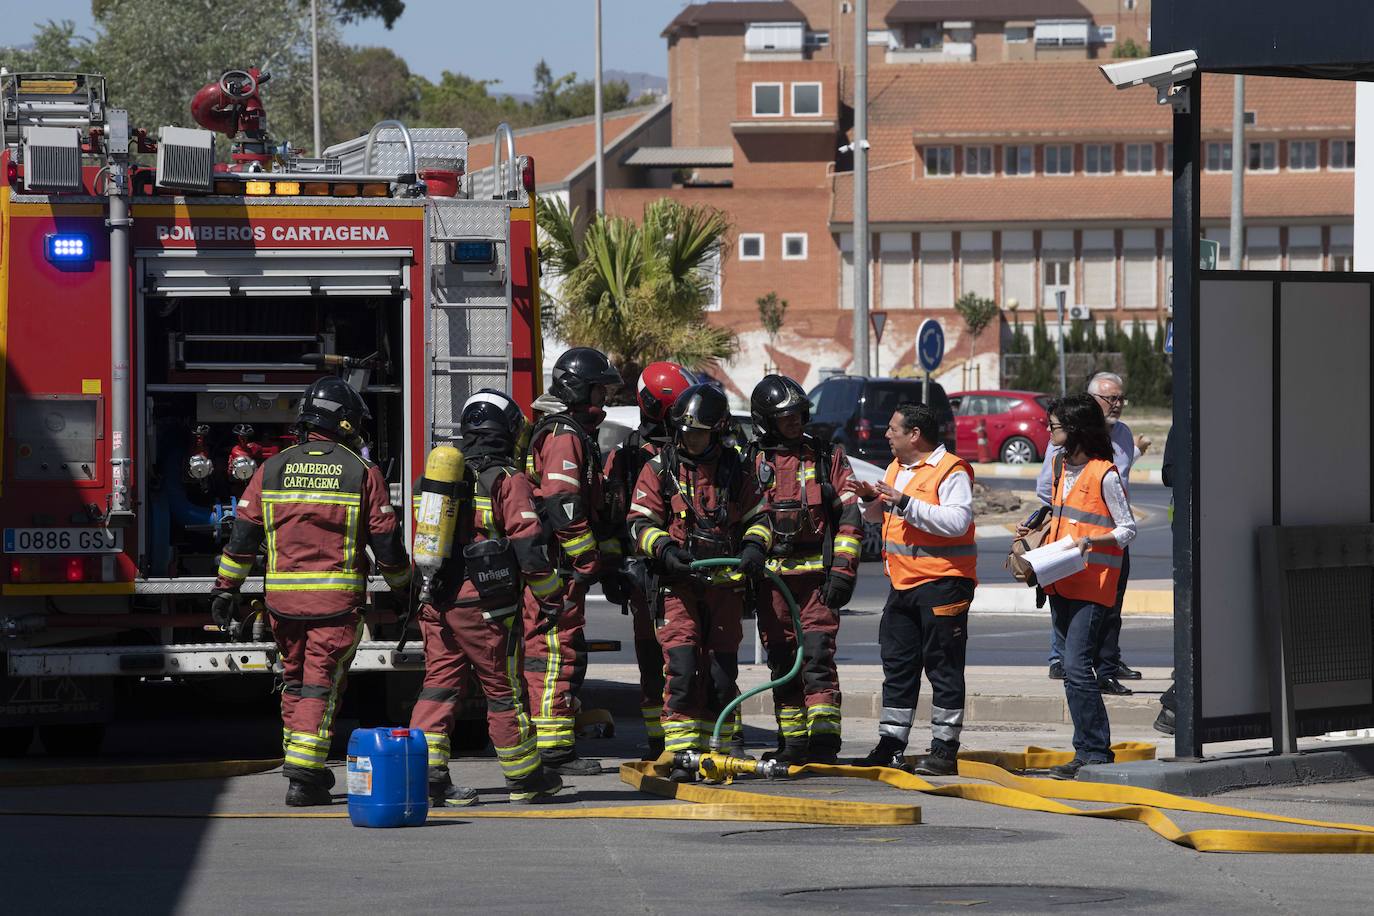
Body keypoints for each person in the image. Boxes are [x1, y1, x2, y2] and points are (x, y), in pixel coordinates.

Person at [212, 377, 411, 807]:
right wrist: (402, 589)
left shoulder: (272, 468)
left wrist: (225, 589)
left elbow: (243, 536)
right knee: (321, 684)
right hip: (334, 605)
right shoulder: (362, 470)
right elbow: (387, 543)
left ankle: (302, 762)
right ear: (342, 422)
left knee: (296, 681)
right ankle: (303, 774)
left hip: (282, 605)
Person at [408, 390, 566, 806]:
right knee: (503, 689)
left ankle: (430, 778)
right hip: (483, 607)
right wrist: (551, 596)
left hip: (435, 598)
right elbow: (528, 544)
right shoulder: (505, 479)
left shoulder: (436, 480)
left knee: (439, 686)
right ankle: (526, 779)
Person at [627, 383, 772, 782]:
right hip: (678, 586)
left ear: (717, 430)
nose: (691, 439)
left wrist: (755, 549)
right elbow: (639, 522)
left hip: (725, 587)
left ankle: (718, 754)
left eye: (699, 432)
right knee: (684, 666)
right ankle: (681, 754)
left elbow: (760, 518)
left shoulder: (736, 469)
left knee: (723, 675)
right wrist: (665, 552)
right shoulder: (659, 468)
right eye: (685, 432)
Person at [850, 404, 976, 777]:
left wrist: (904, 501)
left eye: (892, 429)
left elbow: (957, 521)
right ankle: (891, 744)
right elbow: (880, 518)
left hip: (943, 584)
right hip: (902, 584)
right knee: (899, 667)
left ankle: (944, 749)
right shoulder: (895, 469)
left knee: (944, 669)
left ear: (914, 435)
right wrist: (871, 499)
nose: (886, 435)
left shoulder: (951, 469)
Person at [1019, 394, 1137, 779]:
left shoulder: (1105, 472)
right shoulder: (1058, 465)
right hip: (1060, 578)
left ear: (1075, 429)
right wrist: (1037, 523)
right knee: (1071, 670)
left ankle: (1095, 750)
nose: (1048, 431)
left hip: (1093, 584)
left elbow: (1127, 530)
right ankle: (1086, 749)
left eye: (1053, 425)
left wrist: (1092, 541)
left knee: (1075, 665)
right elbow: (1061, 511)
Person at [747, 374, 863, 765]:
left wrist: (843, 571)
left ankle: (825, 742)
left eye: (799, 414)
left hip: (816, 581)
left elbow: (849, 516)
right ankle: (793, 741)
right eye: (786, 416)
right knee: (782, 661)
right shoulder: (751, 461)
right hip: (770, 583)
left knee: (816, 657)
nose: (796, 421)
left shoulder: (827, 456)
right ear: (766, 419)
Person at [521, 347, 622, 776]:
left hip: (556, 563)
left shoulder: (568, 430)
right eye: (599, 389)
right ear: (579, 389)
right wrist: (585, 558)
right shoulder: (564, 434)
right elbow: (562, 500)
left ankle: (551, 741)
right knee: (555, 653)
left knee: (555, 651)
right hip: (559, 567)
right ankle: (555, 751)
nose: (604, 398)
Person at [602, 360, 698, 759]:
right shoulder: (627, 457)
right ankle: (660, 741)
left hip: (687, 568)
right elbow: (610, 516)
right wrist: (614, 570)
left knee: (689, 656)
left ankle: (687, 736)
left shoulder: (690, 449)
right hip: (647, 573)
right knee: (653, 660)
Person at [1038, 372, 1148, 694]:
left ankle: (1106, 665)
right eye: (1110, 398)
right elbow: (1050, 491)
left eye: (1120, 398)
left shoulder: (1120, 441)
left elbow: (1120, 504)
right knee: (1067, 632)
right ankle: (1065, 661)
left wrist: (1094, 531)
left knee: (1107, 612)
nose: (1117, 404)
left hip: (1102, 553)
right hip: (1069, 550)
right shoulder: (1060, 457)